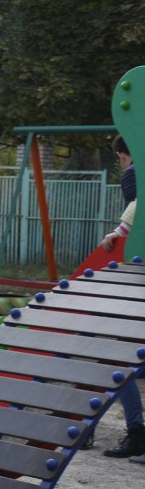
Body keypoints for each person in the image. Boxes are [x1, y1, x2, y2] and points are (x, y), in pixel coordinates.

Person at [98, 135, 145, 458]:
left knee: (118, 359)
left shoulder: (133, 173)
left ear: (121, 155)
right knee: (119, 360)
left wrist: (120, 231)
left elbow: (138, 206)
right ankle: (136, 431)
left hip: (136, 277)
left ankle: (137, 431)